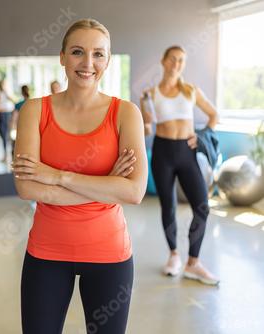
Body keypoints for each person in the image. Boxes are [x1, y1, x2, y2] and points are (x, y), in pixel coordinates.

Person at [12, 19, 147, 333]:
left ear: (108, 60)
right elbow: (26, 186)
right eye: (77, 52)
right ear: (62, 57)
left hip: (109, 253)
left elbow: (134, 192)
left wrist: (56, 175)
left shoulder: (125, 113)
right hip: (47, 252)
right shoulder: (34, 110)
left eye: (98, 54)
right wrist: (107, 185)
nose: (88, 63)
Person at [140, 45, 219, 285]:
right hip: (162, 152)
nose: (176, 64)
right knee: (168, 207)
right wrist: (143, 112)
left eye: (181, 61)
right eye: (173, 59)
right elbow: (147, 127)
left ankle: (193, 262)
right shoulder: (151, 94)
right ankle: (174, 255)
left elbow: (214, 115)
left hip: (187, 152)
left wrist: (203, 134)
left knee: (202, 207)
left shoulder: (191, 90)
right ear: (163, 61)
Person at [0, 79, 15, 162]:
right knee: (6, 136)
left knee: (4, 136)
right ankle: (7, 155)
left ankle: (6, 156)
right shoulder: (2, 95)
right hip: (5, 115)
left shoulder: (1, 95)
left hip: (3, 115)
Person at [10, 85, 30, 157]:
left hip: (20, 128)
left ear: (22, 92)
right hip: (31, 128)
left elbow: (14, 118)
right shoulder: (34, 103)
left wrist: (12, 129)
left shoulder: (18, 105)